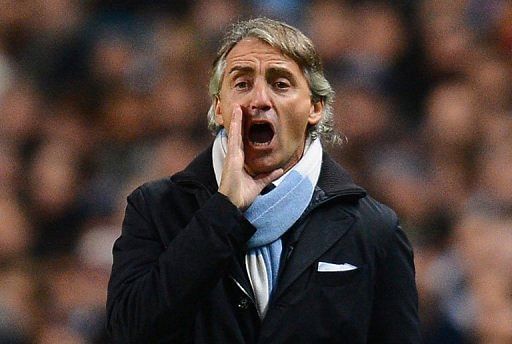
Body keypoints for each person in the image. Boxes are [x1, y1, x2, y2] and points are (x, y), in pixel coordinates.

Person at [106, 17, 420, 343]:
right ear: (218, 108)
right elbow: (130, 331)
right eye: (242, 84)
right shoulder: (155, 209)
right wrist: (222, 211)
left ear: (315, 107)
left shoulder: (373, 229)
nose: (259, 100)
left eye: (280, 84)